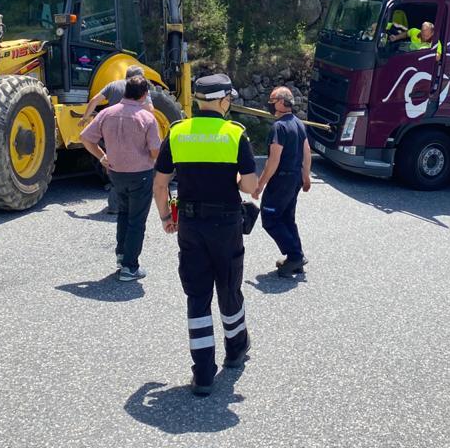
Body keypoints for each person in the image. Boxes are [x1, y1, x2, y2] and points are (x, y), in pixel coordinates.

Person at [152, 73, 258, 397]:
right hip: (226, 225)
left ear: (198, 101)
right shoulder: (234, 134)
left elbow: (160, 184)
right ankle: (236, 350)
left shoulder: (177, 132)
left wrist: (165, 218)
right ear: (223, 101)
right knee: (229, 288)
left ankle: (202, 375)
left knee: (197, 297)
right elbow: (250, 186)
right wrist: (234, 178)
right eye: (229, 99)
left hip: (189, 224)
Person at [80, 75, 161, 281]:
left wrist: (102, 157)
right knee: (137, 220)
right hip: (140, 174)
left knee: (123, 214)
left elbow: (85, 138)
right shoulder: (147, 118)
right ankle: (130, 267)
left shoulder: (106, 113)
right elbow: (155, 151)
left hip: (115, 173)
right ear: (144, 95)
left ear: (126, 91)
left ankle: (122, 256)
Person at [253, 87, 311, 277]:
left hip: (281, 180)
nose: (270, 104)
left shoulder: (278, 127)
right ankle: (297, 256)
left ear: (281, 102)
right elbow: (307, 152)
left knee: (270, 219)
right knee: (287, 218)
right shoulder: (298, 123)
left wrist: (260, 184)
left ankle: (294, 257)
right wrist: (306, 176)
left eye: (272, 100)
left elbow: (273, 160)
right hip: (294, 179)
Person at [79, 65, 153, 214]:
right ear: (139, 77)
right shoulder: (140, 88)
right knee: (134, 167)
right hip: (132, 128)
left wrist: (85, 117)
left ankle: (114, 206)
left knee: (114, 166)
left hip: (112, 130)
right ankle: (131, 205)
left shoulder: (113, 85)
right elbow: (150, 110)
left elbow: (94, 100)